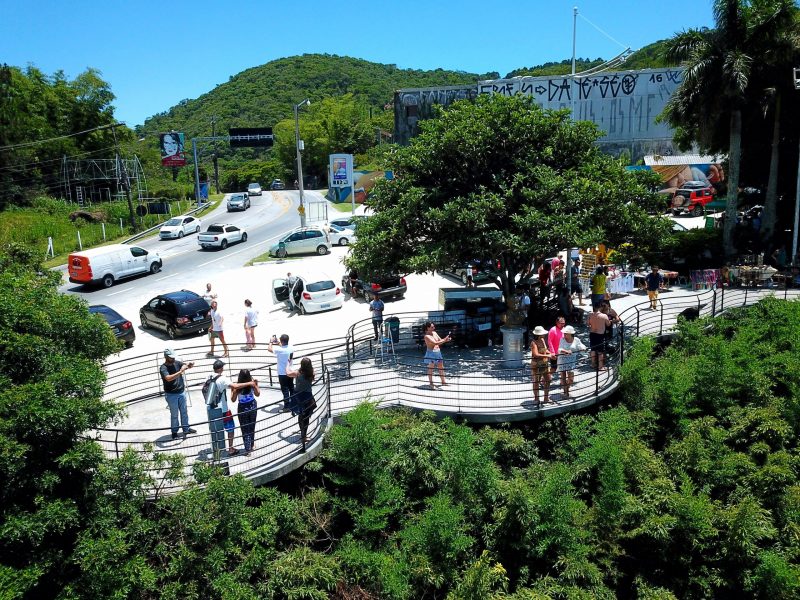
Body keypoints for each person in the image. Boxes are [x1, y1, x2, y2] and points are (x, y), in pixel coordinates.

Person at [204, 359, 256, 459]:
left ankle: (217, 451)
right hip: (223, 409)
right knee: (230, 428)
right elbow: (235, 386)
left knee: (216, 430)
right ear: (220, 368)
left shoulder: (209, 376)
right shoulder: (223, 378)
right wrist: (249, 383)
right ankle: (231, 448)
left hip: (212, 408)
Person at [159, 348, 197, 440]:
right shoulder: (163, 368)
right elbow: (168, 378)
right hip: (171, 395)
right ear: (166, 357)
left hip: (181, 392)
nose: (173, 359)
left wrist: (189, 365)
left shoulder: (176, 362)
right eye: (171, 358)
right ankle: (174, 432)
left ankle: (186, 428)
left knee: (184, 412)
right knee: (174, 414)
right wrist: (180, 372)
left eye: (173, 357)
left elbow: (185, 365)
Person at [286, 357, 317, 451]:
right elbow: (312, 373)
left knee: (301, 416)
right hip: (308, 397)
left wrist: (288, 363)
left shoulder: (297, 373)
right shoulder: (311, 373)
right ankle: (304, 435)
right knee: (306, 417)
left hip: (299, 397)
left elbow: (287, 373)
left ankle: (303, 435)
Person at [231, 369, 260, 455]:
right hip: (252, 406)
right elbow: (258, 394)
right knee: (251, 426)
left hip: (242, 408)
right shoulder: (251, 383)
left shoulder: (236, 386)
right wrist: (255, 385)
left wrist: (234, 391)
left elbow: (233, 400)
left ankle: (248, 449)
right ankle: (251, 445)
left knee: (245, 429)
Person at [557, 325, 586, 399]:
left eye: (566, 333)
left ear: (571, 334)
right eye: (564, 333)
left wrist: (583, 348)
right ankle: (566, 393)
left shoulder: (576, 339)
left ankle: (566, 388)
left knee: (571, 379)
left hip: (571, 361)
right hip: (562, 359)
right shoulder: (562, 339)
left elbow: (581, 346)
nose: (564, 334)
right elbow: (559, 349)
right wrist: (566, 351)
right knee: (563, 377)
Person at [423, 321, 452, 389]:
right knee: (431, 368)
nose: (434, 328)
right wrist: (444, 340)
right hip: (431, 353)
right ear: (427, 328)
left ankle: (443, 382)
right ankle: (431, 383)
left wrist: (446, 340)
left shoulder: (435, 333)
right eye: (432, 327)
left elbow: (440, 340)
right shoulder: (426, 336)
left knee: (441, 367)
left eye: (433, 326)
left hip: (438, 352)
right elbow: (436, 343)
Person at [268, 334, 294, 410]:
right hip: (290, 371)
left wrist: (271, 342)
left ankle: (287, 407)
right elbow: (283, 346)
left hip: (282, 373)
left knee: (285, 390)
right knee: (291, 388)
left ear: (282, 341)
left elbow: (269, 349)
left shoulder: (279, 350)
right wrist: (278, 342)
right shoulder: (291, 348)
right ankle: (293, 404)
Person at [530, 325, 553, 405]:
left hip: (544, 363)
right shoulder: (533, 343)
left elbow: (545, 350)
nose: (544, 334)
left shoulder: (543, 340)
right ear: (539, 334)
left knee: (548, 379)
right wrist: (547, 356)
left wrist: (551, 354)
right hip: (536, 365)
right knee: (536, 381)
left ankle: (546, 398)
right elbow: (535, 354)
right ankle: (536, 399)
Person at [587, 303, 610, 370]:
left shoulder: (590, 314)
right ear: (600, 307)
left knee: (593, 349)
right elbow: (608, 324)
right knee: (600, 351)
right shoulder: (604, 316)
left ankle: (593, 364)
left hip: (592, 334)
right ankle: (600, 366)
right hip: (600, 335)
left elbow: (588, 324)